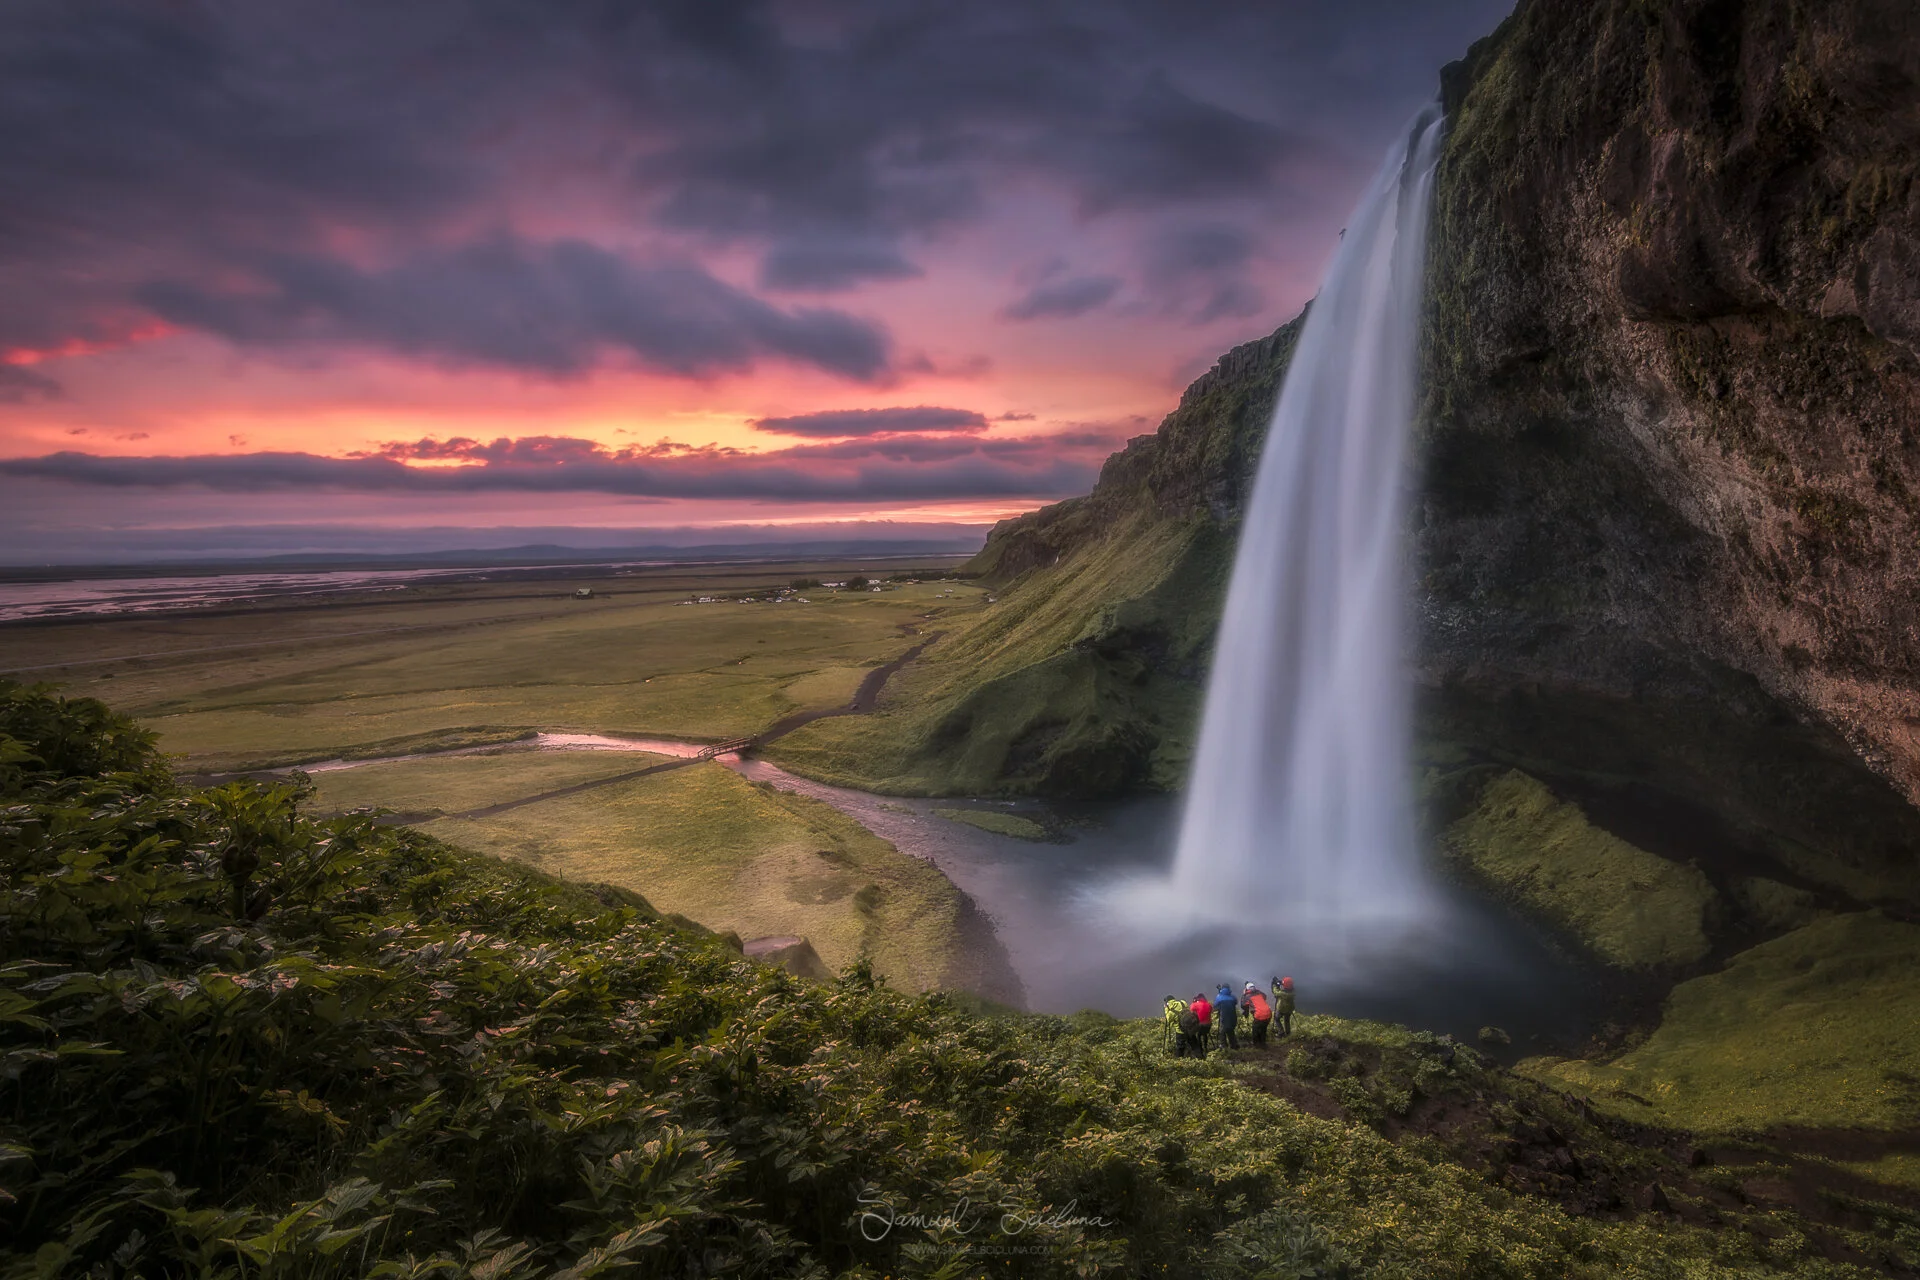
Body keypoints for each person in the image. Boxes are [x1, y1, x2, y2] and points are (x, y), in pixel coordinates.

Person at [1241, 982, 1273, 1048]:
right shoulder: (1259, 993)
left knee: (1255, 1029)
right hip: (1268, 1013)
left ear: (1247, 989)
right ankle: (1263, 1043)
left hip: (1259, 1014)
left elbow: (1243, 1005)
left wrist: (1244, 994)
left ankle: (1256, 1045)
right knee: (1263, 1029)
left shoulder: (1247, 996)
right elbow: (1265, 997)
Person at [1213, 983, 1240, 1051]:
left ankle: (1224, 1046)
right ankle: (1234, 1045)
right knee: (1230, 1030)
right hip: (1233, 1017)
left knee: (1222, 1032)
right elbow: (1236, 1002)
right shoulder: (1233, 996)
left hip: (1224, 1017)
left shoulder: (1219, 996)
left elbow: (1215, 1006)